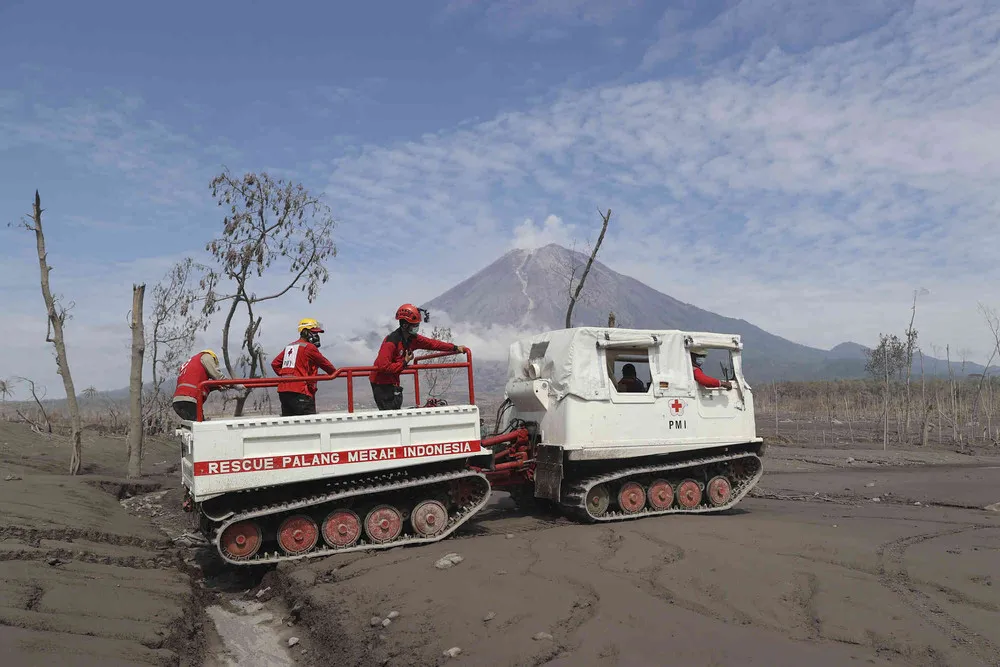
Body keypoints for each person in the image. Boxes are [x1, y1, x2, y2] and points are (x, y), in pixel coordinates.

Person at [370, 303, 465, 410]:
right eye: (415, 325)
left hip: (393, 382)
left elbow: (432, 344)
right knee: (390, 416)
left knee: (395, 413)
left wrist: (455, 348)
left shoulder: (412, 339)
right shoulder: (391, 342)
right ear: (405, 325)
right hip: (381, 383)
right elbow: (383, 366)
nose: (417, 328)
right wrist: (404, 362)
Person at [270, 318, 337, 416]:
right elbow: (327, 365)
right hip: (300, 392)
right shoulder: (309, 348)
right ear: (305, 332)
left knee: (290, 425)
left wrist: (285, 376)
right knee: (309, 425)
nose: (317, 337)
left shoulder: (290, 346)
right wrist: (335, 373)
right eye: (314, 333)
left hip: (283, 392)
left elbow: (275, 364)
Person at [172, 349, 226, 421]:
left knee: (195, 424)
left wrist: (217, 386)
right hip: (189, 400)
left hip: (177, 402)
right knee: (201, 427)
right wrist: (234, 384)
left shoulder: (191, 365)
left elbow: (198, 385)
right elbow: (218, 376)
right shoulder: (206, 356)